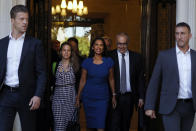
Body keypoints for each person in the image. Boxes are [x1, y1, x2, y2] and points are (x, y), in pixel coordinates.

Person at [0, 5, 46, 131]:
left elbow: (41, 73)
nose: (25, 22)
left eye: (26, 19)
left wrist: (38, 95)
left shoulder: (35, 44)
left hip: (28, 96)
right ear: (12, 20)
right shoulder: (2, 44)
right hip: (5, 95)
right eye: (21, 19)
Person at [144, 22, 196, 131]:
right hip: (170, 106)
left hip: (190, 106)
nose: (179, 37)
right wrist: (149, 106)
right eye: (177, 34)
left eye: (183, 33)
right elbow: (154, 82)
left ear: (190, 35)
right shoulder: (164, 56)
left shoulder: (195, 56)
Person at [76, 37, 116, 131]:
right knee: (90, 125)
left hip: (102, 98)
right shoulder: (87, 62)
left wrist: (114, 95)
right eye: (96, 45)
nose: (99, 47)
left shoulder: (109, 62)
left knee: (101, 125)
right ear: (93, 47)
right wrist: (78, 97)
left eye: (101, 45)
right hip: (88, 97)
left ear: (104, 48)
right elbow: (82, 80)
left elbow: (111, 79)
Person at [109, 32, 145, 131]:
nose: (121, 46)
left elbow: (140, 79)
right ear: (116, 43)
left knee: (126, 124)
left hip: (129, 97)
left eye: (124, 43)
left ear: (128, 43)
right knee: (114, 125)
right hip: (114, 96)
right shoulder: (110, 57)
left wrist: (141, 97)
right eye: (119, 44)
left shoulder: (136, 57)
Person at [52, 42, 79, 131]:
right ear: (60, 52)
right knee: (59, 126)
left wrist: (78, 98)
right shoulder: (55, 65)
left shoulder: (75, 66)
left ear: (71, 52)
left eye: (68, 50)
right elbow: (51, 82)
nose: (66, 52)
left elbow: (79, 83)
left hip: (71, 98)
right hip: (58, 99)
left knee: (70, 125)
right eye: (64, 50)